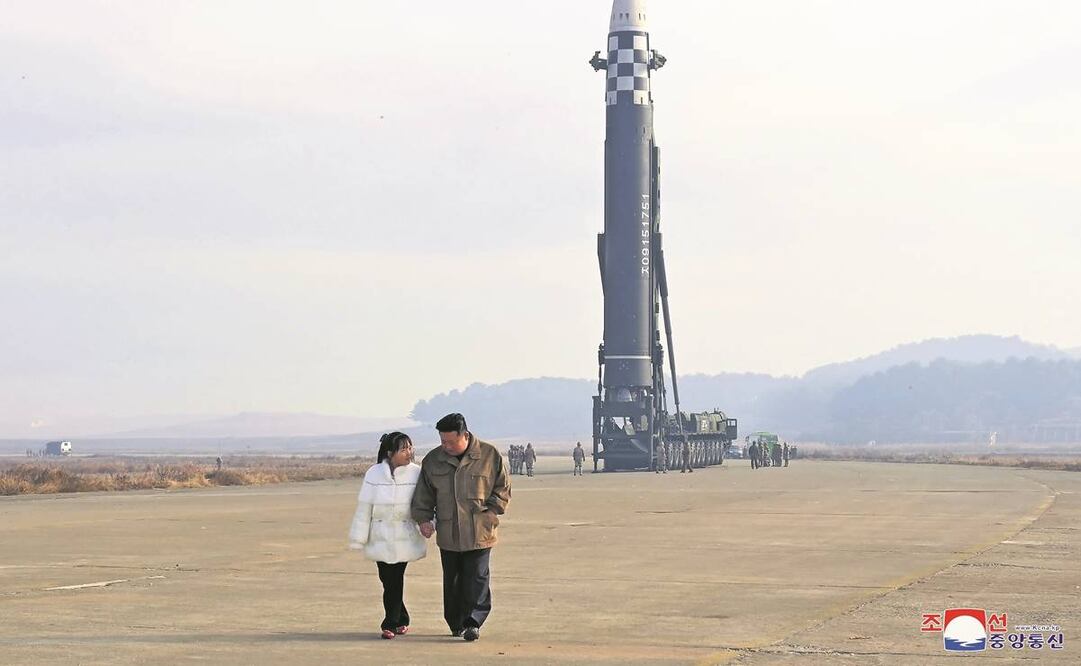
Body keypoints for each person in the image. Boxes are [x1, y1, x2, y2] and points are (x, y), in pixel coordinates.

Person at [412, 413, 511, 642]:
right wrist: (424, 519)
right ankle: (456, 623)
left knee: (477, 577)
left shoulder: (488, 455)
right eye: (442, 441)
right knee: (453, 580)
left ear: (464, 435)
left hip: (480, 530)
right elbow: (424, 495)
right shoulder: (433, 460)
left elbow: (502, 487)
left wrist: (492, 511)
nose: (445, 446)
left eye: (450, 441)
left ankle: (473, 622)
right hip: (449, 532)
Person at [349, 432, 427, 640]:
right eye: (404, 449)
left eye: (410, 447)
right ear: (390, 453)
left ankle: (390, 622)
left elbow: (425, 504)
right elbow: (365, 507)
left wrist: (427, 524)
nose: (409, 452)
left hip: (404, 535)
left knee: (394, 578)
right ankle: (403, 617)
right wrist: (359, 536)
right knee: (386, 578)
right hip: (379, 536)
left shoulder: (417, 473)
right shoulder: (373, 474)